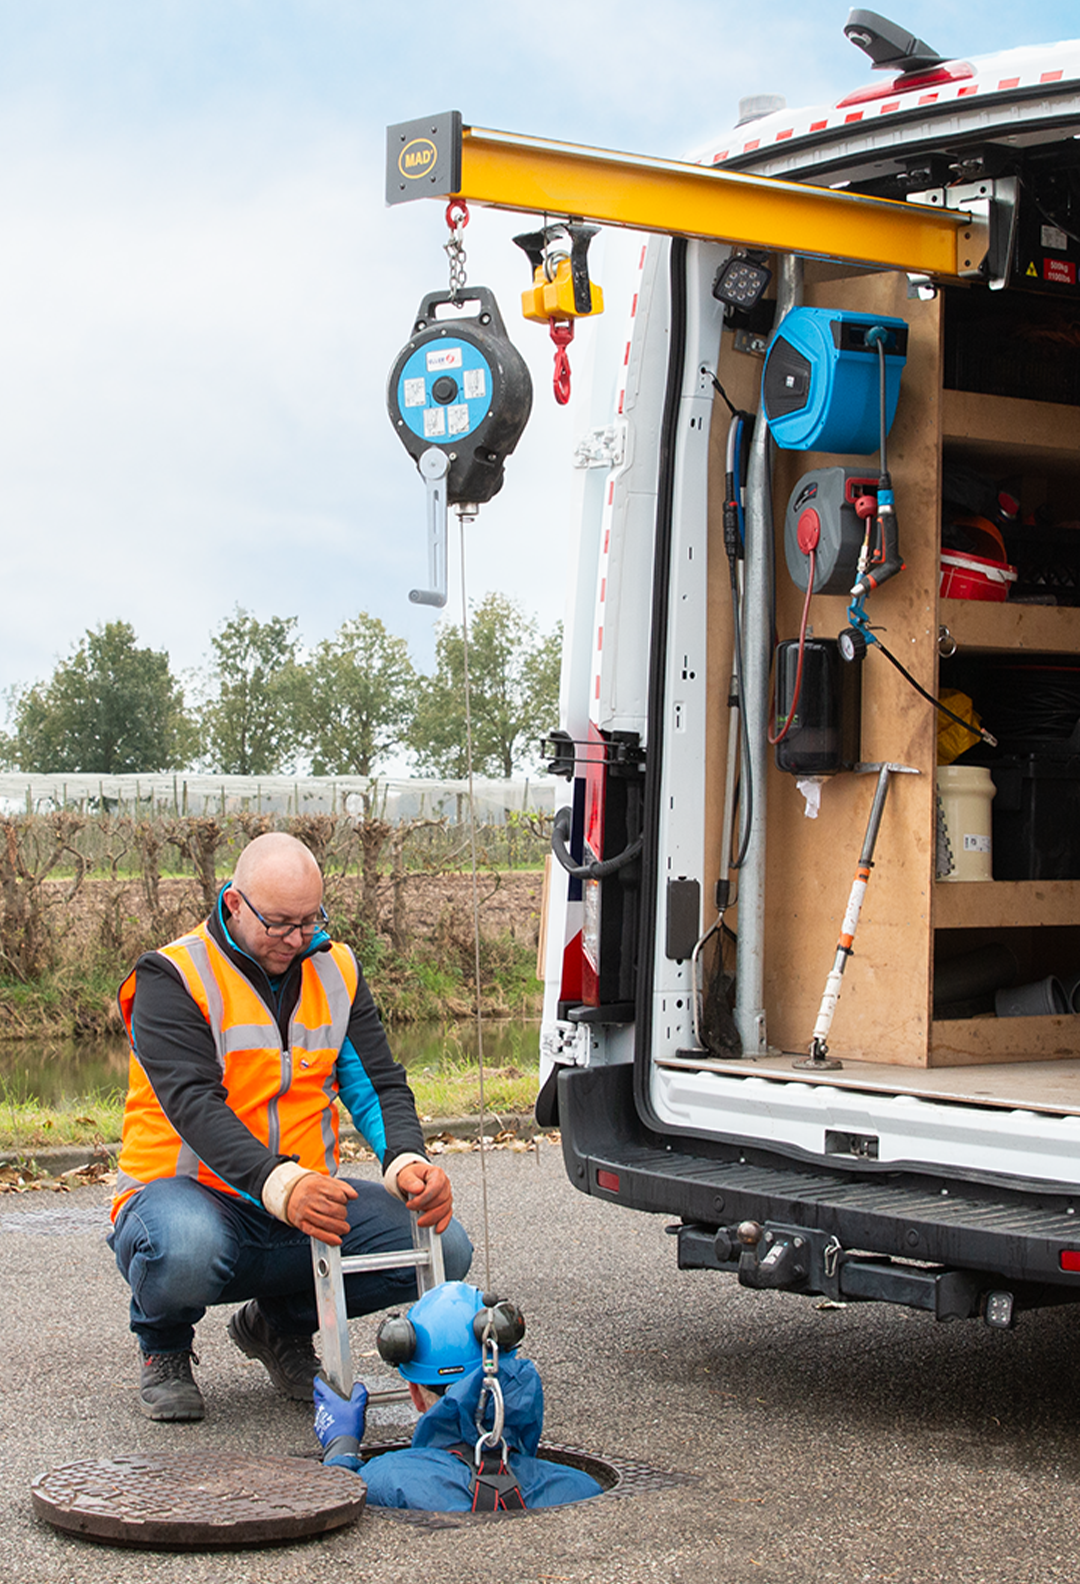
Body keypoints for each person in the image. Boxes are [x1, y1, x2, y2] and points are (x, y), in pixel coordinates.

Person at [107, 831, 472, 1422]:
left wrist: (407, 1162)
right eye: (278, 923)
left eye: (309, 920)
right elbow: (195, 1104)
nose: (297, 939)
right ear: (234, 903)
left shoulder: (337, 970)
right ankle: (163, 1344)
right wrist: (281, 1185)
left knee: (446, 1246)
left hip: (301, 1201)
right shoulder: (170, 976)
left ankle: (277, 1325)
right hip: (192, 1199)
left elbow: (379, 1084)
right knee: (186, 1249)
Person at [313, 1281, 603, 1511]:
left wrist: (342, 1450)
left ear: (415, 1393)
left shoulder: (388, 1480)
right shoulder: (576, 1487)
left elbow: (340, 1496)